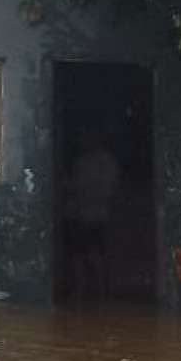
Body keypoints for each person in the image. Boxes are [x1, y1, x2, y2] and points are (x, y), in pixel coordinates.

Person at [65, 129, 120, 301]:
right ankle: (81, 289)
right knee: (77, 253)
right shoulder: (81, 161)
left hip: (96, 213)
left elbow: (107, 188)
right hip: (80, 213)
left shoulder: (105, 162)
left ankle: (101, 290)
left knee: (93, 253)